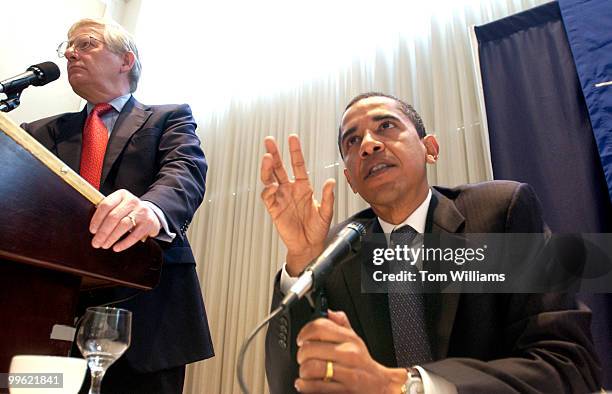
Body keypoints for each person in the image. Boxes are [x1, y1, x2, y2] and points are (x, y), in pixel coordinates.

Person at [260, 92, 601, 393]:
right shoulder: (335, 251)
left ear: (430, 149)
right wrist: (301, 258)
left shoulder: (499, 214)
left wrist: (408, 386)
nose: (368, 144)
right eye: (352, 141)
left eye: (386, 127)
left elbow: (567, 362)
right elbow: (289, 384)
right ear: (350, 178)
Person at [21, 18, 213, 394]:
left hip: (148, 314)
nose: (70, 53)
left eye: (86, 44)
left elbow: (184, 171)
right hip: (48, 316)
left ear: (126, 60)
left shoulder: (168, 118)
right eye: (67, 47)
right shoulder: (39, 133)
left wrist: (151, 209)